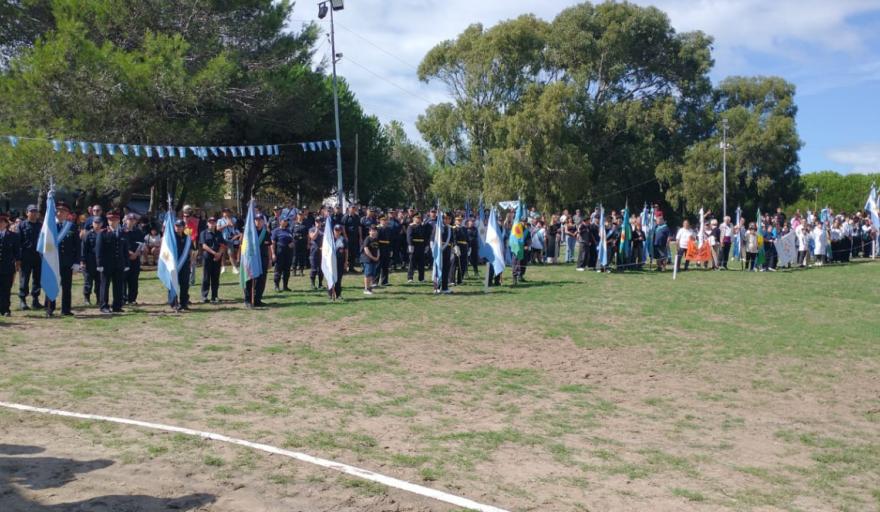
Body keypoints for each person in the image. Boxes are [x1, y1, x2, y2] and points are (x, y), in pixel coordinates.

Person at [46, 202, 78, 317]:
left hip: (67, 262)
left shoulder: (72, 227)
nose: (60, 213)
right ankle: (50, 308)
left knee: (67, 287)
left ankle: (66, 309)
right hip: (53, 261)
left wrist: (76, 262)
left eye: (63, 211)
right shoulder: (49, 226)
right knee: (51, 285)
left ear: (67, 214)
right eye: (58, 211)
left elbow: (77, 246)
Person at [17, 204, 43, 310]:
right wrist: (18, 258)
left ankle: (35, 300)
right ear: (27, 213)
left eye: (35, 211)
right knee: (24, 278)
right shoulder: (21, 225)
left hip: (38, 256)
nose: (33, 213)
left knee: (37, 279)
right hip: (26, 256)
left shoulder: (41, 226)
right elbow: (18, 243)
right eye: (31, 211)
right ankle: (22, 300)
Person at [243, 214, 272, 307]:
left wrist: (270, 259)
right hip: (252, 258)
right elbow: (244, 245)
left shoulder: (266, 233)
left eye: (260, 220)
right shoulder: (250, 232)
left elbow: (268, 247)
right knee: (250, 279)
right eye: (256, 220)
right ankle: (248, 300)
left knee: (261, 280)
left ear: (263, 221)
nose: (258, 222)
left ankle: (257, 299)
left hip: (263, 259)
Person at [104, 212, 129, 313]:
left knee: (118, 286)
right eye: (110, 220)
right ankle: (104, 306)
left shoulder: (123, 233)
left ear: (118, 221)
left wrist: (126, 263)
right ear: (107, 221)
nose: (112, 221)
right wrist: (100, 264)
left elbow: (125, 250)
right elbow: (100, 250)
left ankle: (117, 306)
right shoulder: (103, 232)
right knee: (105, 286)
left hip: (119, 263)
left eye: (115, 220)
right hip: (107, 264)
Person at [0, 213, 22, 316]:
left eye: (2, 222)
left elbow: (17, 252)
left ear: (6, 223)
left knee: (6, 289)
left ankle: (5, 309)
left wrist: (17, 263)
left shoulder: (13, 236)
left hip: (7, 267)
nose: (0, 224)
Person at [200, 217, 226, 303]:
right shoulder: (203, 233)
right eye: (210, 222)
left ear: (215, 224)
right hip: (207, 257)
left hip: (217, 258)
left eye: (213, 222)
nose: (212, 223)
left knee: (215, 278)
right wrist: (215, 253)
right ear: (207, 224)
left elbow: (223, 245)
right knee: (206, 277)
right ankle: (204, 296)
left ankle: (214, 296)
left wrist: (219, 254)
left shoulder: (219, 233)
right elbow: (204, 246)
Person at [121, 213, 144, 305]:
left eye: (133, 219)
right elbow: (121, 245)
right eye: (129, 219)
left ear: (135, 221)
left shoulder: (139, 232)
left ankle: (132, 299)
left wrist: (136, 254)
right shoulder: (121, 231)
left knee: (134, 280)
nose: (131, 221)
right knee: (123, 279)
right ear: (126, 220)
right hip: (124, 259)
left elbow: (142, 245)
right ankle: (123, 298)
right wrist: (129, 253)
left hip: (135, 259)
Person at [169, 219, 192, 311]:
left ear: (183, 227)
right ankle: (174, 303)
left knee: (185, 284)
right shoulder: (170, 237)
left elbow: (191, 250)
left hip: (185, 264)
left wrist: (191, 261)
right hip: (173, 264)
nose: (178, 228)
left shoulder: (187, 238)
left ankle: (184, 303)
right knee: (173, 284)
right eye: (176, 226)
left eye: (180, 226)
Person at [271, 216, 294, 292]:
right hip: (280, 252)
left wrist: (292, 243)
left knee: (287, 269)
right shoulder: (276, 231)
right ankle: (276, 286)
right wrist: (273, 254)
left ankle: (285, 286)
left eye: (287, 221)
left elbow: (292, 240)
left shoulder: (289, 231)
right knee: (278, 269)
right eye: (284, 221)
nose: (286, 222)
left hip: (288, 252)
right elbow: (273, 243)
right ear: (280, 221)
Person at [218, 208, 240, 274]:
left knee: (231, 253)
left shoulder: (233, 219)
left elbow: (233, 225)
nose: (226, 213)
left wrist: (228, 219)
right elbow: (218, 228)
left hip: (230, 239)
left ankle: (234, 268)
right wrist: (225, 225)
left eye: (227, 212)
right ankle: (223, 267)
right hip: (222, 239)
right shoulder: (220, 220)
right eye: (224, 212)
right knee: (223, 254)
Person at [407, 214, 427, 283]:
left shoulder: (422, 227)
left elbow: (425, 237)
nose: (418, 219)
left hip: (421, 246)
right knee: (412, 263)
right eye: (417, 218)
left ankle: (421, 278)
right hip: (414, 246)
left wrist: (426, 246)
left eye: (419, 218)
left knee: (421, 263)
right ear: (414, 219)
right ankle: (410, 278)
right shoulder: (411, 226)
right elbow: (409, 236)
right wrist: (410, 245)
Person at [361, 225, 380, 295]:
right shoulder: (367, 239)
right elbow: (366, 250)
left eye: (375, 231)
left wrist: (378, 256)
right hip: (368, 259)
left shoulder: (376, 239)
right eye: (372, 231)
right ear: (369, 232)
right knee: (367, 274)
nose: (374, 232)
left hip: (374, 259)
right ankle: (366, 289)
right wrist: (373, 257)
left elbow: (377, 248)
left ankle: (369, 289)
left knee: (372, 274)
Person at [330, 224, 347, 300]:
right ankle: (331, 294)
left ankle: (338, 294)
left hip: (340, 261)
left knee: (338, 279)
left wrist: (346, 262)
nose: (337, 232)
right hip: (331, 262)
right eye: (336, 230)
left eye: (339, 230)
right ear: (333, 230)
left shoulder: (343, 239)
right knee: (330, 278)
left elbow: (346, 251)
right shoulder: (329, 239)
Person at [308, 217, 325, 290]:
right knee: (314, 268)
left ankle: (320, 284)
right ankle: (312, 284)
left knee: (321, 269)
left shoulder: (324, 230)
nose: (318, 223)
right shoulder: (312, 229)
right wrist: (317, 229)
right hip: (314, 251)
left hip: (322, 251)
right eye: (317, 221)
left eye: (319, 221)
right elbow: (313, 237)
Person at [342, 206, 361, 272]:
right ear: (349, 209)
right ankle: (344, 268)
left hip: (355, 237)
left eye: (354, 208)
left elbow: (359, 227)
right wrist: (345, 236)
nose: (353, 209)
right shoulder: (346, 216)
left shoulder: (357, 217)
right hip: (348, 237)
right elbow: (343, 227)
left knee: (353, 253)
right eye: (352, 208)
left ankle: (351, 268)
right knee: (347, 253)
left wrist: (360, 237)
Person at [377, 214, 393, 286]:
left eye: (386, 220)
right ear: (380, 221)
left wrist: (391, 250)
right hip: (380, 247)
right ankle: (375, 281)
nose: (385, 221)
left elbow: (391, 240)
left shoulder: (389, 229)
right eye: (383, 220)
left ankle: (384, 281)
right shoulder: (377, 229)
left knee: (385, 265)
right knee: (378, 265)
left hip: (387, 248)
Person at [291, 211, 309, 276]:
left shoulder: (305, 224)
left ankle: (301, 271)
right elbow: (291, 233)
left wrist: (308, 243)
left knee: (302, 256)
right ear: (297, 216)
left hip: (303, 242)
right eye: (299, 214)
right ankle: (294, 271)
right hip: (296, 242)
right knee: (295, 257)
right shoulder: (294, 224)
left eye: (302, 215)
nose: (300, 216)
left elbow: (307, 235)